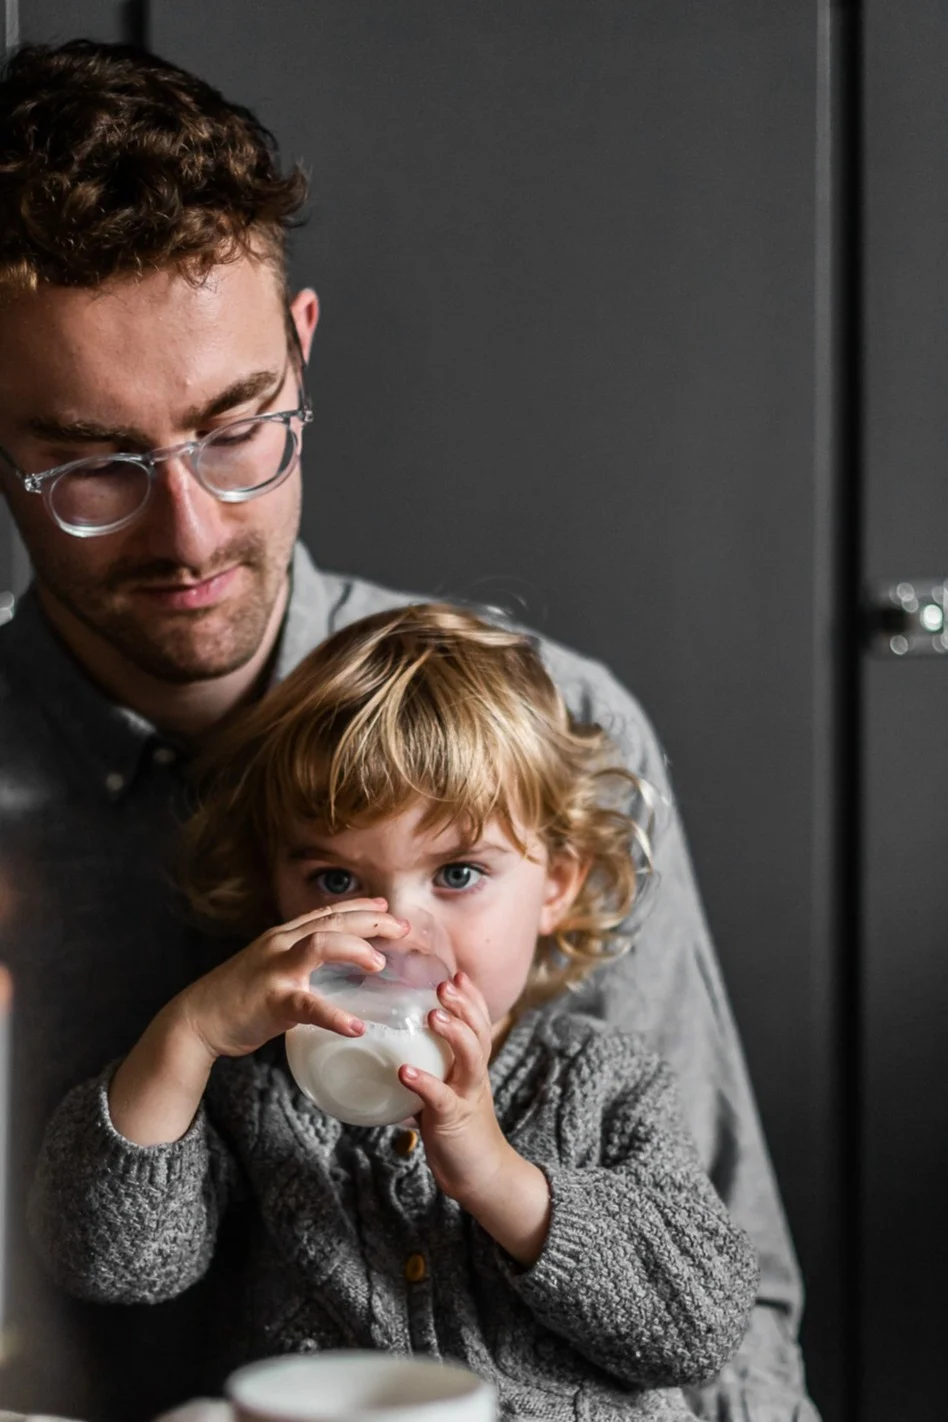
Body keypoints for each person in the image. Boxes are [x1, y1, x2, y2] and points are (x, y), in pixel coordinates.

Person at [0, 36, 818, 1422]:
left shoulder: (550, 732)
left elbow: (729, 1316)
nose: (191, 528)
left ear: (302, 348)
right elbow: (110, 1246)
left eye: (237, 426)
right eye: (91, 463)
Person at [30, 604, 760, 1422]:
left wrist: (497, 1177)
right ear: (275, 886)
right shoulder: (258, 1084)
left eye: (457, 874)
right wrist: (189, 1035)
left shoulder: (599, 1079)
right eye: (337, 882)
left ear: (556, 881)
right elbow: (108, 1259)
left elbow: (702, 1322)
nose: (397, 934)